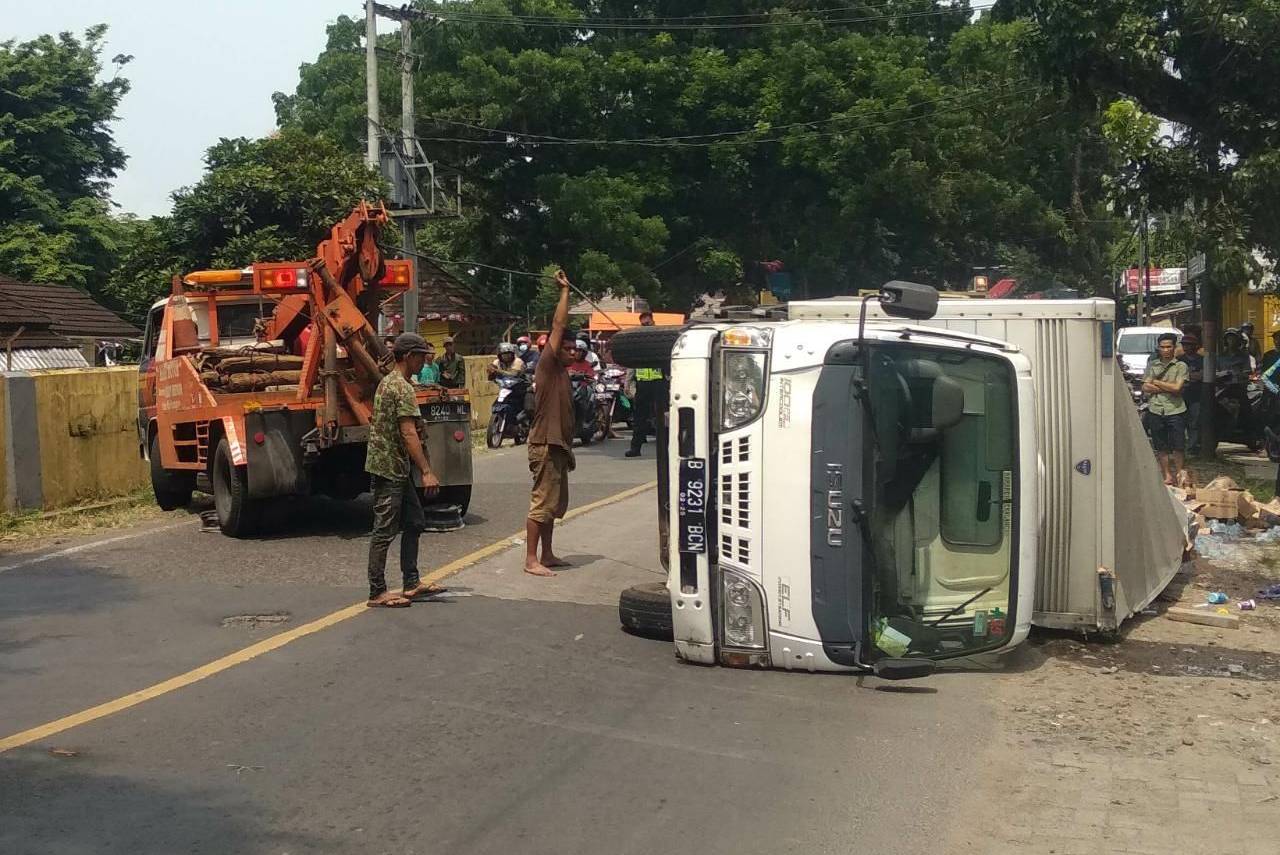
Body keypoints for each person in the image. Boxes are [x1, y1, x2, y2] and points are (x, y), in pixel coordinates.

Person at [365, 333, 444, 608]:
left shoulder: (394, 383)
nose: (425, 361)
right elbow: (408, 432)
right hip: (389, 467)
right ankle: (377, 591)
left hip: (397, 466)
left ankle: (411, 582)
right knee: (384, 529)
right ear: (409, 356)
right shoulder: (400, 387)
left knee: (415, 521)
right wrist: (426, 470)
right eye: (422, 356)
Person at [525, 270, 577, 577]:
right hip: (545, 443)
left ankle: (547, 554)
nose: (571, 352)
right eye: (566, 348)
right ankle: (531, 559)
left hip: (559, 445)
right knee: (542, 503)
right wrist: (565, 293)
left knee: (554, 505)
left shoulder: (566, 374)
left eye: (574, 349)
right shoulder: (548, 366)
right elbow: (558, 326)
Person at [1142, 332, 1189, 486]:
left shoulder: (1181, 366)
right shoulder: (1152, 365)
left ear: (1174, 348)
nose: (1166, 350)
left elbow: (1177, 388)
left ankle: (1180, 474)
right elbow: (1145, 387)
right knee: (1160, 445)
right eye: (1163, 347)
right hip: (1156, 408)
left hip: (1175, 409)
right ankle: (1167, 475)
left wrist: (1156, 382)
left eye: (1169, 347)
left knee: (1178, 445)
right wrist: (1166, 387)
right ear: (1158, 348)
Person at [626, 311, 668, 459]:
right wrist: (628, 382)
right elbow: (633, 363)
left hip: (659, 382)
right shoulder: (638, 341)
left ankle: (667, 447)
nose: (645, 325)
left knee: (663, 416)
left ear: (653, 322)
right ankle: (635, 447)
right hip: (643, 384)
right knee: (639, 417)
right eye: (643, 324)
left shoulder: (659, 338)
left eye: (648, 323)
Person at [1178, 334, 1204, 455]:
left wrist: (1188, 377)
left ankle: (1192, 447)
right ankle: (1180, 447)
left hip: (1196, 396)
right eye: (1184, 344)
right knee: (1180, 423)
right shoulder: (1179, 361)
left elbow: (1202, 376)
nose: (1186, 347)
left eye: (1189, 344)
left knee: (1194, 422)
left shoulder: (1202, 360)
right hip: (1181, 396)